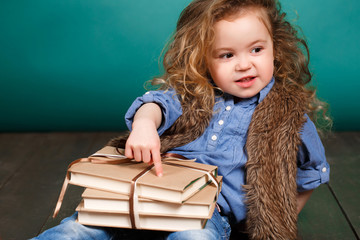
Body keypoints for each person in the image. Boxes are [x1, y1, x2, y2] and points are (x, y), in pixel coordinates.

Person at [32, 0, 331, 239]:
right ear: (203, 59)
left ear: (274, 49)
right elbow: (156, 103)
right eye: (227, 55)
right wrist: (145, 125)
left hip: (206, 212)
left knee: (193, 235)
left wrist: (276, 217)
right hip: (146, 194)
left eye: (256, 49)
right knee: (78, 227)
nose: (244, 64)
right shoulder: (195, 93)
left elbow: (312, 170)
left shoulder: (287, 115)